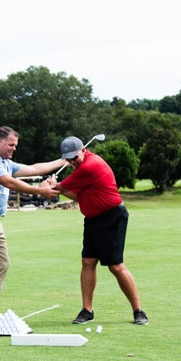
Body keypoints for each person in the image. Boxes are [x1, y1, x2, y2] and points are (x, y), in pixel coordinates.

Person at [49, 136, 148, 326]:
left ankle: (139, 311)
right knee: (88, 261)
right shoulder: (81, 168)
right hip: (93, 219)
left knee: (115, 266)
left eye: (74, 158)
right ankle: (87, 311)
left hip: (112, 217)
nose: (71, 162)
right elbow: (75, 195)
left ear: (83, 151)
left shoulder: (90, 166)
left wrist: (53, 185)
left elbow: (60, 188)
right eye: (68, 160)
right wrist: (57, 187)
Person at [0, 126, 62, 315]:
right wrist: (41, 191)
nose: (14, 148)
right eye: (11, 144)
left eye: (15, 145)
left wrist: (63, 160)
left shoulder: (6, 163)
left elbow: (34, 168)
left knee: (2, 264)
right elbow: (9, 182)